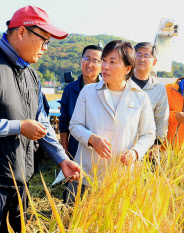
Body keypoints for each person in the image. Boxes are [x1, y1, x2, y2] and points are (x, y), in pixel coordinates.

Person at [0, 6, 81, 232]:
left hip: (20, 181)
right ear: (22, 32)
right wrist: (18, 127)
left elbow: (42, 122)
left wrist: (62, 159)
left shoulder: (32, 75)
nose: (45, 49)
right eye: (44, 40)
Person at [65, 40, 155, 204]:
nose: (105, 66)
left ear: (128, 68)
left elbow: (148, 134)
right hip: (85, 174)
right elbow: (74, 125)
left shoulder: (140, 97)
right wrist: (92, 139)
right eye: (104, 60)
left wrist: (135, 152)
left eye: (112, 62)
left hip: (119, 178)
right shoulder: (89, 91)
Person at [59, 44, 102, 159]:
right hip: (75, 149)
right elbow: (64, 121)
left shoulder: (107, 89)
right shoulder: (70, 89)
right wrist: (64, 147)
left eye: (95, 60)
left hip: (99, 151)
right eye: (87, 59)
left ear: (102, 65)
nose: (89, 64)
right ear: (81, 61)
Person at [132, 42, 169, 160]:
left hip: (147, 145)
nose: (141, 59)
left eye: (146, 56)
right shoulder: (122, 82)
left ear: (154, 62)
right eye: (138, 55)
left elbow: (161, 119)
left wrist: (157, 145)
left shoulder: (158, 88)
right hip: (123, 144)